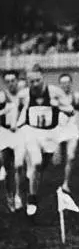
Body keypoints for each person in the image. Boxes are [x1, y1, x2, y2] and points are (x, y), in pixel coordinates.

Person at [15, 64, 75, 216]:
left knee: (40, 169)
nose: (34, 84)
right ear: (27, 81)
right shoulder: (24, 94)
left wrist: (59, 107)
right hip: (32, 132)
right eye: (31, 81)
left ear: (43, 78)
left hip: (50, 134)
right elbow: (19, 111)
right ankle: (32, 199)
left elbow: (70, 110)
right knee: (36, 162)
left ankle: (32, 179)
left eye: (37, 80)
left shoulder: (55, 92)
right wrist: (18, 124)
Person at [55, 72, 79, 195]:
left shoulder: (75, 96)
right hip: (58, 129)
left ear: (71, 83)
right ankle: (55, 180)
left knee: (71, 156)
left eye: (67, 83)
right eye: (63, 83)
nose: (65, 85)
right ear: (59, 84)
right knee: (56, 160)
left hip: (71, 129)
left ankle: (65, 183)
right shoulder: (55, 97)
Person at [0, 70, 21, 211]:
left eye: (13, 80)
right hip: (5, 134)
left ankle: (18, 195)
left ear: (17, 81)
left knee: (20, 167)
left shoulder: (23, 95)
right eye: (7, 81)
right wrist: (4, 111)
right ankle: (10, 197)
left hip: (20, 134)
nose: (11, 84)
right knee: (8, 167)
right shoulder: (2, 96)